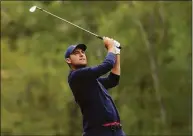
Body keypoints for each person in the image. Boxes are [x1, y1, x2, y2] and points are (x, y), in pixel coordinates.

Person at [64, 37, 126, 136]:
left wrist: (116, 52)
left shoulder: (90, 81)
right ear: (68, 60)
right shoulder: (76, 76)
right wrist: (110, 47)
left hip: (117, 132)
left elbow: (113, 80)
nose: (81, 54)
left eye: (83, 52)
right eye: (76, 53)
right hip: (98, 132)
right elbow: (107, 65)